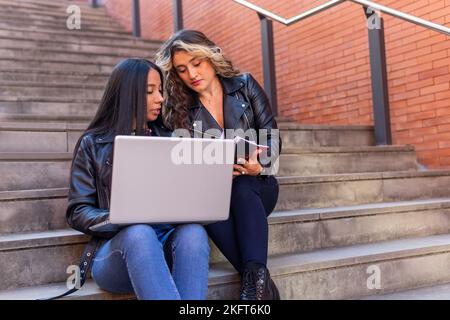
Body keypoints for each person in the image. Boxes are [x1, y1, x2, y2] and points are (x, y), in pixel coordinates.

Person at [66, 58, 210, 300]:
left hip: (166, 244)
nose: (160, 99)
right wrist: (121, 218)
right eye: (149, 91)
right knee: (140, 233)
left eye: (161, 91)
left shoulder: (173, 139)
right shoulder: (93, 144)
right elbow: (77, 210)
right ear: (127, 94)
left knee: (194, 233)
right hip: (118, 252)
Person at [156, 30, 282, 300]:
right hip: (215, 194)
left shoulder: (245, 85)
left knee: (242, 187)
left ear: (210, 57)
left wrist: (258, 165)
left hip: (257, 185)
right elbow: (180, 160)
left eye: (196, 63)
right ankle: (259, 289)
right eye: (182, 69)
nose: (191, 74)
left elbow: (271, 136)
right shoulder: (179, 108)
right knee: (208, 206)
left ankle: (259, 289)